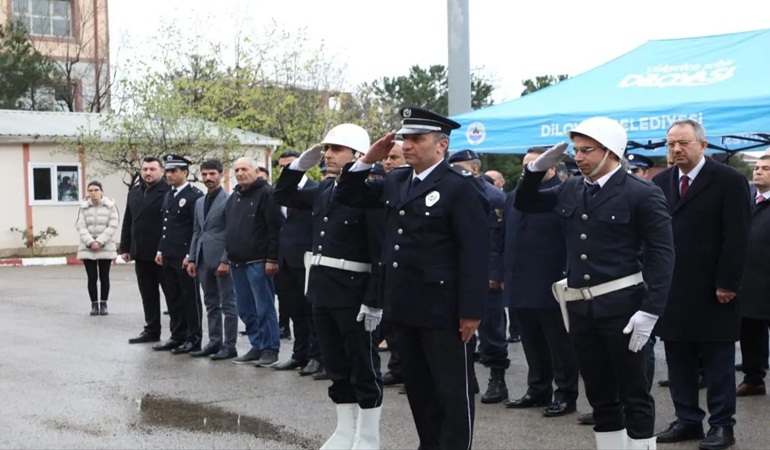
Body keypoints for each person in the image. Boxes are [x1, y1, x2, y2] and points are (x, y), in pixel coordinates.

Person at [514, 117, 674, 450]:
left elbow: (662, 256)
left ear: (612, 152)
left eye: (587, 150)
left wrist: (650, 311)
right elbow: (526, 203)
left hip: (625, 308)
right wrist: (534, 172)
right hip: (582, 308)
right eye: (576, 150)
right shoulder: (572, 187)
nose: (579, 157)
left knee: (634, 393)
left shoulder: (642, 193)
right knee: (600, 394)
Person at [336, 107, 489, 450]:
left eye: (417, 139)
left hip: (444, 310)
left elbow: (475, 252)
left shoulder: (459, 187)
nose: (408, 145)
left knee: (452, 393)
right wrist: (365, 161)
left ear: (441, 145)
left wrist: (471, 310)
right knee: (419, 390)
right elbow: (347, 194)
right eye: (405, 138)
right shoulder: (397, 179)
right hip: (404, 305)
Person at [275, 124, 385, 449]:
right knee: (336, 364)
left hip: (354, 291)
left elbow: (379, 251)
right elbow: (280, 195)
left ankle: (368, 436)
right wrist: (297, 168)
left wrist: (375, 300)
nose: (328, 155)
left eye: (337, 149)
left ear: (359, 155)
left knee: (362, 364)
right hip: (322, 288)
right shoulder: (325, 190)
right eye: (327, 149)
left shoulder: (371, 192)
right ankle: (344, 430)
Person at [653, 120, 751, 450]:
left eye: (683, 143)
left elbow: (737, 237)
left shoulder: (729, 180)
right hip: (672, 288)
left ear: (703, 145)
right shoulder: (662, 181)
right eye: (670, 145)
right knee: (678, 359)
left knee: (717, 362)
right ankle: (687, 420)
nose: (676, 150)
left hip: (714, 289)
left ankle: (723, 425)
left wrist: (728, 282)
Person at [503, 147, 580, 417]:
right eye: (525, 166)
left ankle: (565, 393)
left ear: (550, 168)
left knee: (559, 343)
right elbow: (506, 238)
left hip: (551, 280)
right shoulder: (515, 196)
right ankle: (537, 389)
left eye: (533, 165)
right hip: (520, 280)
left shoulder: (564, 193)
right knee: (531, 341)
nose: (527, 171)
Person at [447, 149, 510, 404]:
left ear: (474, 169)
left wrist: (495, 273)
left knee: (492, 329)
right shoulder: (451, 192)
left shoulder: (494, 197)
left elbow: (498, 239)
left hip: (486, 276)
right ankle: (467, 376)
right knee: (460, 330)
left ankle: (498, 378)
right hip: (457, 274)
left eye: (460, 167)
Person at [225, 157, 283, 367]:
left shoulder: (267, 194)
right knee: (246, 309)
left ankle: (270, 348)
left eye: (244, 169)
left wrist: (272, 258)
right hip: (238, 262)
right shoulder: (235, 197)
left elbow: (275, 228)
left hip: (259, 262)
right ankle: (256, 345)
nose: (240, 173)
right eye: (237, 169)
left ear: (256, 171)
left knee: (264, 308)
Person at [271, 150, 324, 376]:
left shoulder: (315, 190)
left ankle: (315, 356)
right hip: (285, 259)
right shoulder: (280, 192)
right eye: (282, 166)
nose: (285, 169)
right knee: (294, 310)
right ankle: (298, 353)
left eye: (290, 165)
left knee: (310, 310)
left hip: (306, 258)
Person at [186, 159, 239, 360]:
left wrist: (226, 260)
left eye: (212, 174)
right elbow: (197, 231)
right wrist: (192, 258)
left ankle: (229, 345)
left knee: (228, 304)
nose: (208, 178)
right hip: (202, 260)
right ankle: (214, 342)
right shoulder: (199, 201)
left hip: (222, 260)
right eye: (205, 174)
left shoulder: (230, 200)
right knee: (210, 303)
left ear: (221, 174)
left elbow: (232, 232)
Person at [152, 154, 204, 354]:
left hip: (184, 255)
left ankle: (194, 337)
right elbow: (166, 226)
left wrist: (191, 255)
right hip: (169, 254)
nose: (170, 174)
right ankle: (177, 335)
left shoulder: (194, 196)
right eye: (167, 171)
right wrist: (160, 249)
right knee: (173, 297)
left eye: (174, 171)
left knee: (189, 297)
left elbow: (195, 228)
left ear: (185, 172)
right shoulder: (169, 195)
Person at [121, 157, 171, 344]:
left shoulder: (167, 191)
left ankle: (177, 332)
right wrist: (125, 247)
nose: (148, 173)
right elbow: (128, 220)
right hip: (141, 252)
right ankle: (151, 330)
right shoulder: (134, 193)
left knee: (171, 295)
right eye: (145, 169)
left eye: (152, 169)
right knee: (148, 295)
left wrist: (164, 249)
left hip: (162, 253)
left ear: (161, 171)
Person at [736, 155, 770, 397]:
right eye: (757, 167)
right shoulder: (747, 200)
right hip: (751, 281)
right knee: (750, 329)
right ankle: (754, 378)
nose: (758, 172)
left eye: (766, 168)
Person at [75, 181, 120, 316]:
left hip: (105, 246)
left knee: (104, 276)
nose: (93, 193)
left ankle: (103, 303)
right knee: (92, 277)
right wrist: (90, 242)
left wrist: (100, 241)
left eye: (96, 190)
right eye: (90, 190)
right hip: (87, 247)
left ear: (101, 191)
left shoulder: (110, 207)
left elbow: (113, 225)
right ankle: (94, 304)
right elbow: (80, 226)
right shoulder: (83, 208)